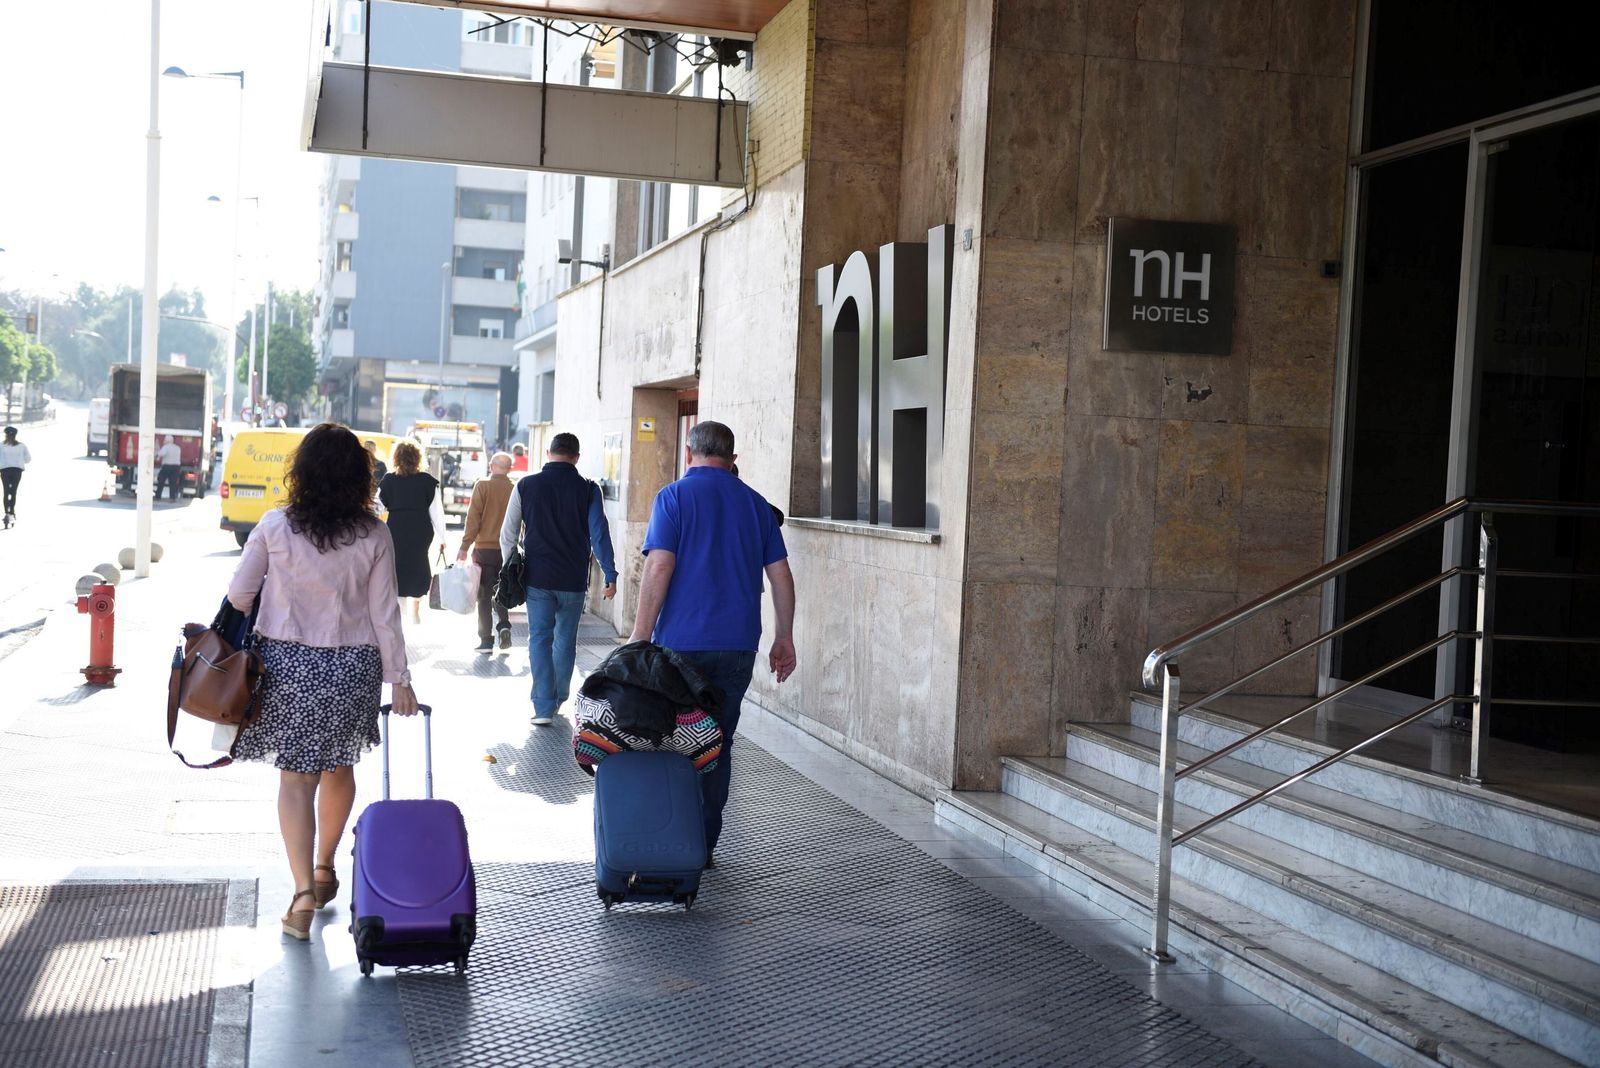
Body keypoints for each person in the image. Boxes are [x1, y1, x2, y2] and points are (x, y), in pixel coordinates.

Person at [225, 423, 419, 941]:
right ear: (361, 476)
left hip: (286, 666)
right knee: (337, 765)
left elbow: (240, 596)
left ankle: (302, 896)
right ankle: (325, 868)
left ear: (302, 471)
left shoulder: (273, 525)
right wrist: (400, 679)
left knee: (295, 779)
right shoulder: (375, 533)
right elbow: (386, 615)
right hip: (352, 666)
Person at [629, 421, 796, 865]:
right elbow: (780, 575)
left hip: (679, 649)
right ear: (732, 458)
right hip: (738, 646)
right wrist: (784, 637)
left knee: (672, 740)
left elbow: (659, 569)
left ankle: (670, 840)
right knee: (716, 744)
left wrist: (638, 638)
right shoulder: (756, 504)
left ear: (689, 454)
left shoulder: (674, 498)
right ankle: (703, 847)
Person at [500, 432, 617, 725]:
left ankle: (542, 706)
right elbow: (599, 533)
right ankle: (559, 698)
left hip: (537, 577)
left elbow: (508, 533)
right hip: (573, 581)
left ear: (549, 453)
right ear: (576, 457)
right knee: (565, 640)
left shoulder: (526, 485)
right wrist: (610, 572)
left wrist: (509, 566)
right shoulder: (589, 490)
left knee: (540, 638)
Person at [379, 441, 446, 624]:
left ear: (396, 458)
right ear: (418, 458)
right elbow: (436, 512)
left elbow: (376, 506)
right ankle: (416, 609)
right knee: (418, 563)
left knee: (397, 565)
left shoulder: (389, 480)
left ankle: (400, 611)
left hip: (396, 527)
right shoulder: (427, 481)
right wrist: (443, 537)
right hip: (420, 527)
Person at [457, 451, 516, 652]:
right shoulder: (515, 488)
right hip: (508, 551)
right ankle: (504, 625)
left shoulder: (482, 486)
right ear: (510, 469)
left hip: (483, 550)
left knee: (483, 596)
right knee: (502, 591)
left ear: (491, 466)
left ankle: (486, 640)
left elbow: (473, 519)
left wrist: (465, 546)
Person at [0, 426, 30, 525]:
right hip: (17, 471)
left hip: (5, 470)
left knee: (6, 491)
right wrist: (20, 460)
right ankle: (12, 512)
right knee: (13, 491)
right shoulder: (21, 446)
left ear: (6, 435)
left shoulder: (1, 445)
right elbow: (28, 459)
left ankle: (7, 513)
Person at [154, 435, 183, 501]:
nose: (164, 441)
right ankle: (172, 498)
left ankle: (158, 496)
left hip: (167, 466)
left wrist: (156, 456)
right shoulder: (177, 448)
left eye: (165, 440)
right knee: (173, 483)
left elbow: (161, 454)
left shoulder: (166, 447)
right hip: (176, 467)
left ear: (167, 440)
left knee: (161, 481)